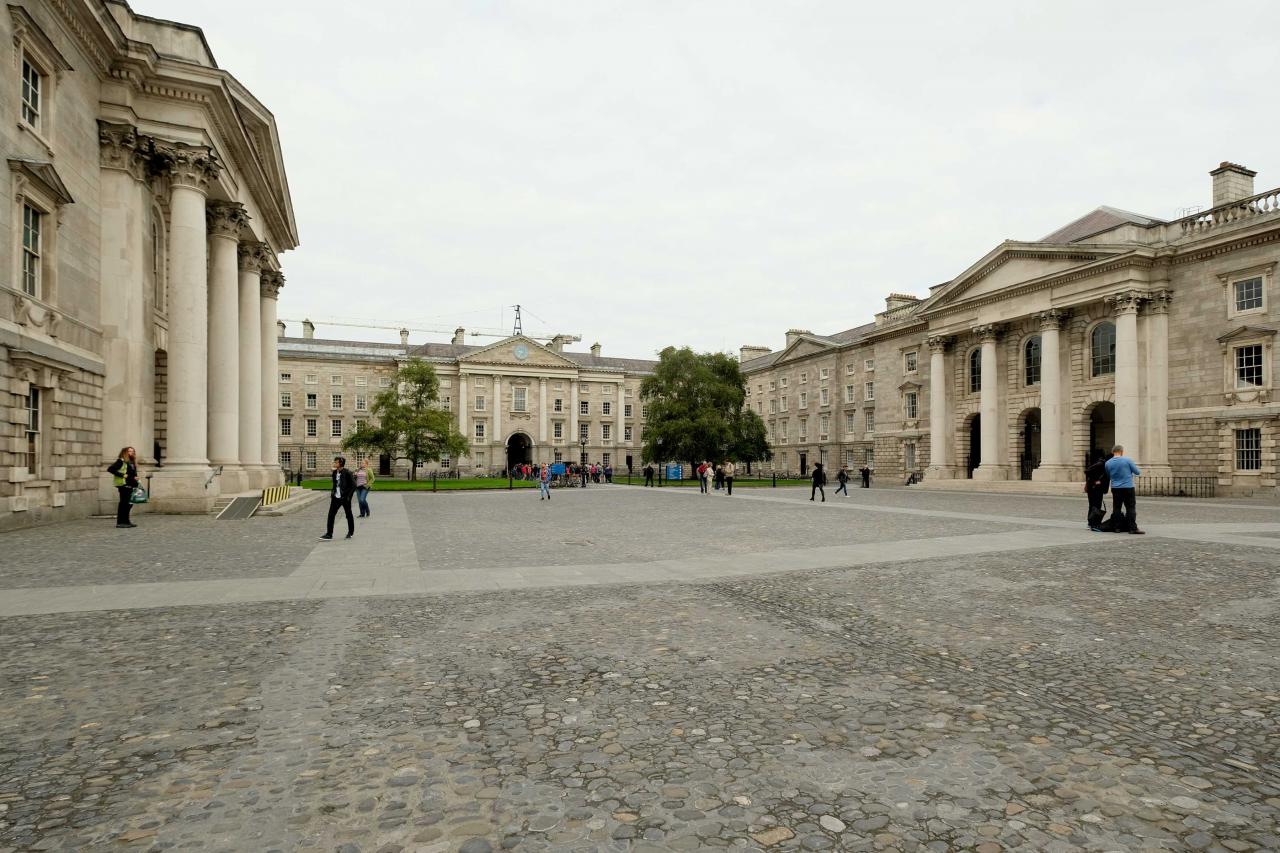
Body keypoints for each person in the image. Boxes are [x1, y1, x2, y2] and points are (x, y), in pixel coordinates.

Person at [1104, 445, 1144, 534]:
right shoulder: (1127, 460)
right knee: (1130, 507)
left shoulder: (1108, 463)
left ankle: (1117, 528)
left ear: (1112, 452)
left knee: (1117, 507)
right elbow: (1137, 472)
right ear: (1122, 451)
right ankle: (1132, 528)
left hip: (1115, 487)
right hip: (1128, 487)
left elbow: (1108, 475)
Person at [320, 456, 357, 541]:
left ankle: (350, 532)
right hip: (335, 498)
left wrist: (348, 497)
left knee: (348, 515)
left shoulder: (347, 473)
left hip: (345, 498)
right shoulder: (334, 473)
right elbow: (335, 484)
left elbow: (354, 485)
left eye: (336, 462)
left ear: (341, 463)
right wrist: (332, 492)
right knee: (331, 515)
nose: (334, 463)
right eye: (335, 462)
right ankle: (329, 534)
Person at [107, 446, 140, 529]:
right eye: (129, 451)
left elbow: (131, 473)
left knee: (129, 504)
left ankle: (126, 521)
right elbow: (110, 469)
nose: (132, 452)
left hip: (131, 484)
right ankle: (121, 522)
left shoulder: (132, 462)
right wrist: (123, 475)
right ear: (125, 452)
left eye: (133, 451)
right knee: (124, 503)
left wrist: (135, 477)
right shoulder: (121, 461)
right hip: (124, 485)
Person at [1084, 452, 1109, 531]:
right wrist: (1095, 481)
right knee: (1095, 505)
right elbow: (1087, 471)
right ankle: (1092, 523)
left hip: (1094, 488)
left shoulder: (1101, 464)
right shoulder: (1101, 464)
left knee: (1093, 505)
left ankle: (1092, 522)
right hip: (1095, 489)